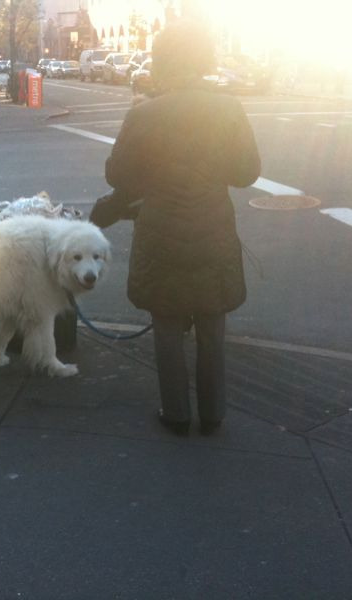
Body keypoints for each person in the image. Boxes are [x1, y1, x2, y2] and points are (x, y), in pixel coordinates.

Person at [93, 20, 261, 436]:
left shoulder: (145, 113)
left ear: (163, 61)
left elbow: (118, 175)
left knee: (166, 321)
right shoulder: (228, 107)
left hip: (161, 228)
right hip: (213, 225)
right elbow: (246, 173)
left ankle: (176, 413)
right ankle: (214, 412)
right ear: (204, 57)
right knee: (211, 318)